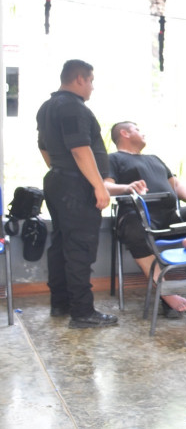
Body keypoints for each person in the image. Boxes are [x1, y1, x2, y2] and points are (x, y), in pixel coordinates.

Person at [104, 121, 186, 316]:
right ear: (124, 133)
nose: (142, 133)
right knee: (133, 228)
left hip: (171, 215)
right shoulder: (113, 159)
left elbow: (174, 183)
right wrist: (127, 187)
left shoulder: (154, 158)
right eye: (137, 129)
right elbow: (105, 186)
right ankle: (165, 291)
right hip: (139, 215)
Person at [36, 59, 117, 329]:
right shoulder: (73, 107)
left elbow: (44, 147)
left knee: (61, 244)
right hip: (76, 188)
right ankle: (83, 312)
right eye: (91, 80)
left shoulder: (47, 107)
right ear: (80, 79)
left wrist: (60, 169)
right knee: (80, 248)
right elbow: (80, 149)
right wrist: (97, 185)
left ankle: (61, 303)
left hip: (58, 182)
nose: (92, 87)